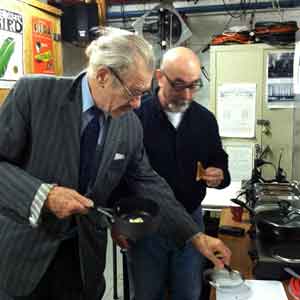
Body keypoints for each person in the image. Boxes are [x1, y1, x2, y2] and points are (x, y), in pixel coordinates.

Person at [0, 28, 230, 300]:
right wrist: (43, 195)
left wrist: (195, 236)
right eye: (133, 92)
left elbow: (148, 183)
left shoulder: (129, 124)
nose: (136, 104)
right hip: (24, 255)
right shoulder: (35, 94)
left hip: (84, 260)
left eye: (143, 93)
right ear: (102, 76)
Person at [128, 47, 231, 300]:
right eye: (179, 85)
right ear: (160, 77)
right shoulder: (134, 117)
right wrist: (120, 222)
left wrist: (220, 174)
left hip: (191, 219)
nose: (187, 95)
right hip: (146, 224)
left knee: (188, 292)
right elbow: (121, 174)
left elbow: (218, 159)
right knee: (146, 293)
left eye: (194, 86)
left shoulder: (205, 120)